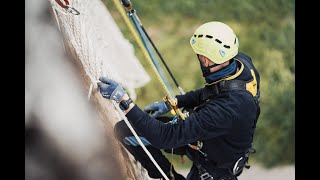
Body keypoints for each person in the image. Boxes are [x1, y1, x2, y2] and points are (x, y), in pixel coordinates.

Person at [97, 21, 261, 180]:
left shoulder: (226, 109)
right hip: (208, 140)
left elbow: (164, 137)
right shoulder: (240, 64)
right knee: (126, 131)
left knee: (152, 133)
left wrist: (123, 100)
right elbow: (213, 91)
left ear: (205, 59)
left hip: (214, 166)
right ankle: (167, 175)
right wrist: (174, 102)